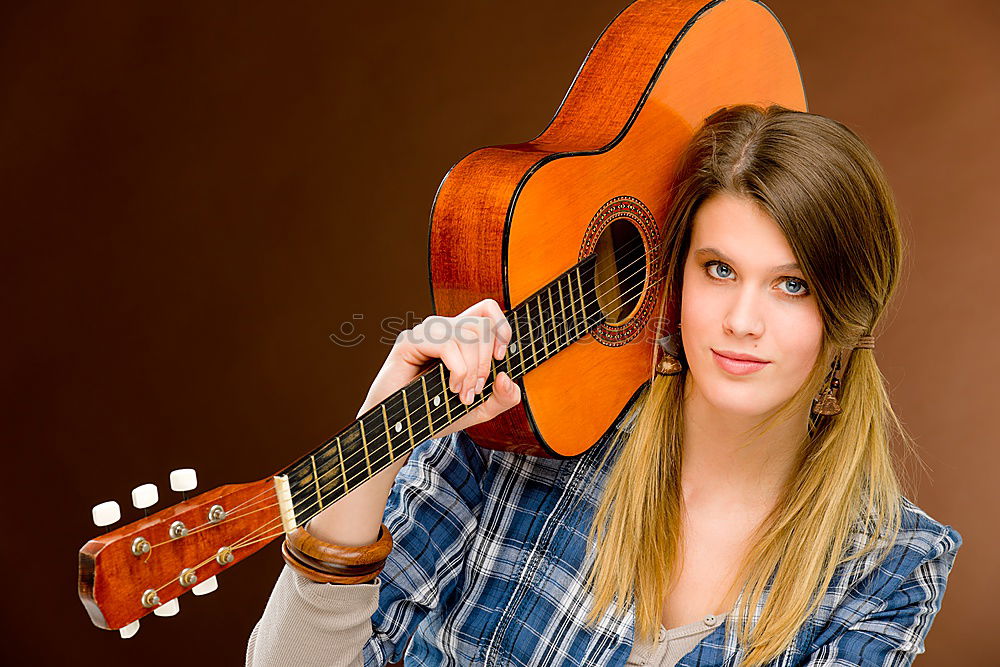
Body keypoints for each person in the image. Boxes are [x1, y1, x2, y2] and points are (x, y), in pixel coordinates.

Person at [246, 105, 961, 667]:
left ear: (848, 314)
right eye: (719, 269)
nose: (744, 320)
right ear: (675, 274)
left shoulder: (889, 569)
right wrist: (380, 430)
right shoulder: (528, 432)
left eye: (792, 285)